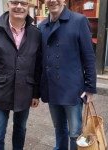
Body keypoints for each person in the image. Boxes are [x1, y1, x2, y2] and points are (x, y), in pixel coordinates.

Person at [0, 0, 42, 149]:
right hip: (0, 91)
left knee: (20, 129)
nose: (19, 7)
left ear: (28, 7)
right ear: (7, 5)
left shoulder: (36, 33)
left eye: (24, 3)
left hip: (25, 91)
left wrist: (35, 93)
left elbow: (37, 66)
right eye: (15, 2)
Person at [38, 0, 97, 149]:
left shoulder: (79, 20)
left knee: (75, 131)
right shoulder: (42, 26)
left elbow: (88, 56)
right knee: (59, 127)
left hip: (72, 88)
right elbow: (40, 59)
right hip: (52, 87)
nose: (52, 1)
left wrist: (90, 87)